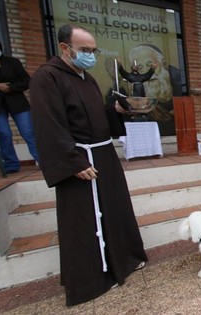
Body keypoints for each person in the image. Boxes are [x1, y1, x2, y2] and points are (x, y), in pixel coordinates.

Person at [29, 24, 147, 306]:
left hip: (103, 155)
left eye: (93, 51)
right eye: (85, 51)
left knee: (114, 210)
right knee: (85, 219)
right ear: (65, 49)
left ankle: (122, 261)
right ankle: (91, 279)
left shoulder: (87, 78)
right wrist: (72, 161)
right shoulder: (47, 78)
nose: (90, 56)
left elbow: (95, 117)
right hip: (79, 160)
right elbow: (48, 125)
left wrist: (114, 110)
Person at [0, 39, 40, 173]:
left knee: (28, 131)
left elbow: (27, 81)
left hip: (17, 102)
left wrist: (9, 87)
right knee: (4, 133)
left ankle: (42, 160)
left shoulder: (12, 62)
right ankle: (11, 164)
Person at [127, 44, 183, 136]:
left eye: (150, 65)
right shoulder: (141, 100)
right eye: (141, 68)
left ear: (163, 64)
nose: (147, 72)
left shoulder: (179, 92)